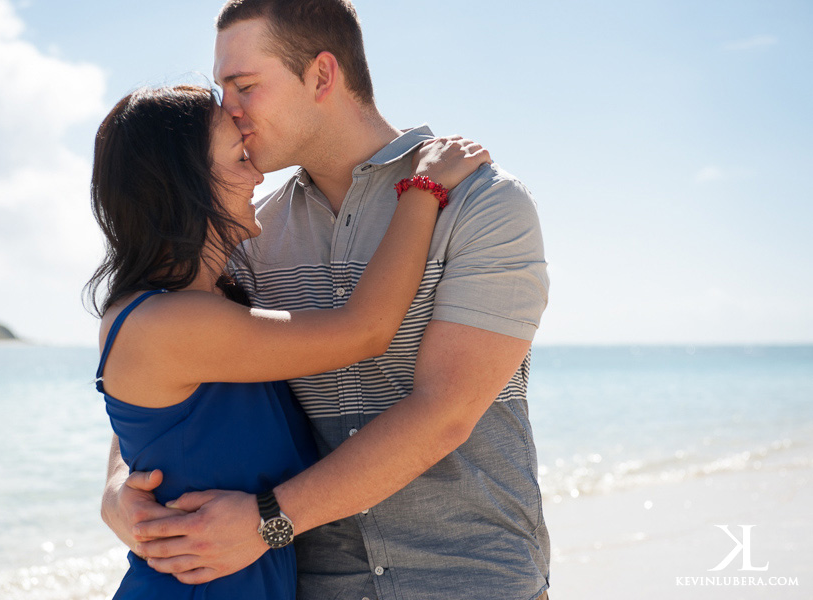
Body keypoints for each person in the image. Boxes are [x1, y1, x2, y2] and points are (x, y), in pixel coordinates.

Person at [102, 1, 551, 599]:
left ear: (320, 76)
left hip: (470, 581)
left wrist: (267, 520)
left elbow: (445, 414)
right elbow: (164, 375)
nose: (228, 110)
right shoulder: (246, 232)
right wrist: (116, 491)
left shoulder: (482, 204)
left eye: (243, 86)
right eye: (222, 88)